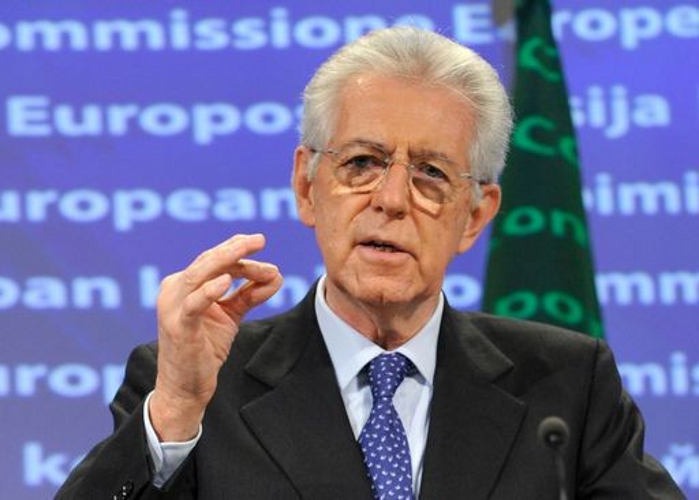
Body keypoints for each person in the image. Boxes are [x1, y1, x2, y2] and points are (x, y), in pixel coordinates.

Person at [56, 27, 683, 500]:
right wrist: (175, 409)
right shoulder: (194, 385)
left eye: (431, 173)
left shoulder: (567, 386)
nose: (391, 199)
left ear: (475, 214)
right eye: (362, 163)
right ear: (306, 186)